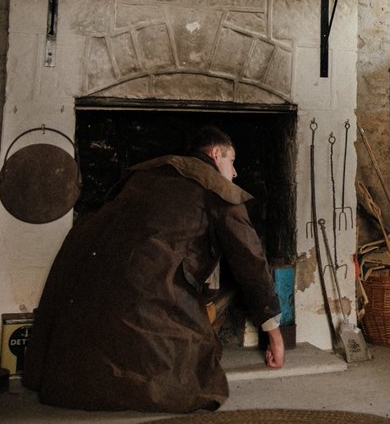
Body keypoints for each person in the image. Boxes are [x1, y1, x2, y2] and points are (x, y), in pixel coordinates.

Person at [22, 126, 285, 412]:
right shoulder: (217, 187)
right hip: (151, 294)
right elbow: (251, 260)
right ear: (215, 153)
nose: (234, 173)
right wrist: (273, 332)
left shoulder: (143, 176)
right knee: (188, 374)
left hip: (96, 291)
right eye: (232, 162)